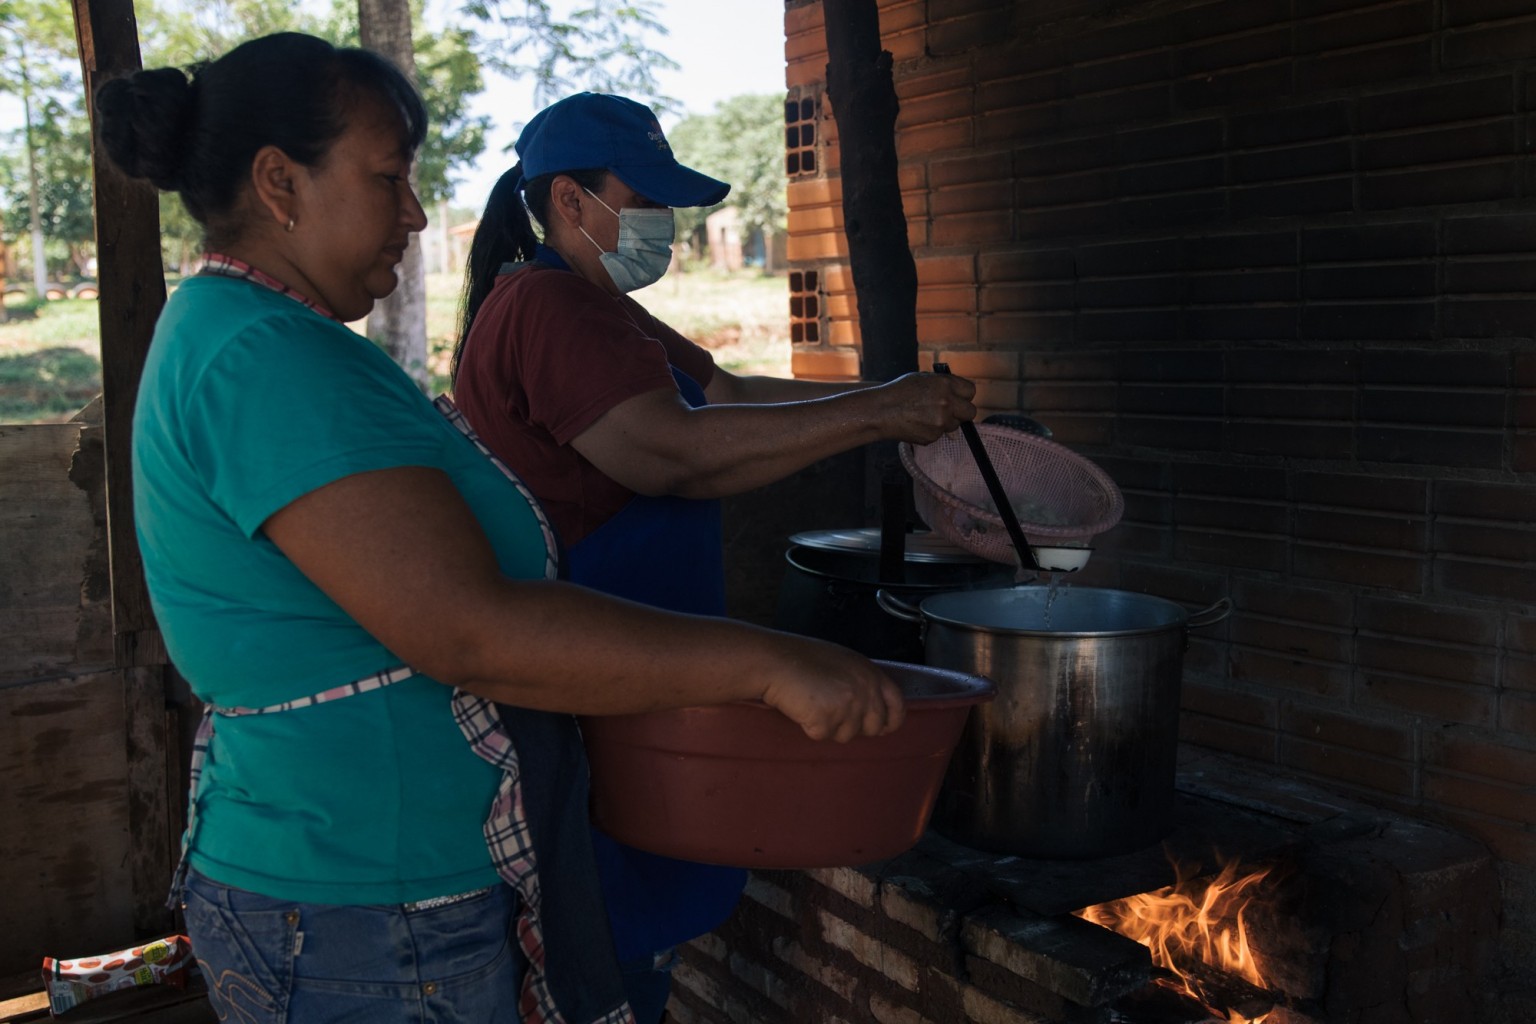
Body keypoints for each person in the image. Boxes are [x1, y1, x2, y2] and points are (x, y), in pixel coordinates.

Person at [95, 33, 908, 1024]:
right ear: (279, 182)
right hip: (362, 908)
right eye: (389, 178)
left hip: (372, 891)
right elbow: (470, 632)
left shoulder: (266, 340)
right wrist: (768, 664)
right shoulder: (265, 357)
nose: (417, 212)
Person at [449, 92, 977, 1021]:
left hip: (640, 669)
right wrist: (878, 415)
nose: (664, 223)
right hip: (590, 680)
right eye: (644, 198)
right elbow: (672, 453)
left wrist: (889, 404)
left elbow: (725, 391)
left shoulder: (595, 304)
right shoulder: (548, 309)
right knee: (600, 958)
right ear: (570, 201)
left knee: (634, 946)